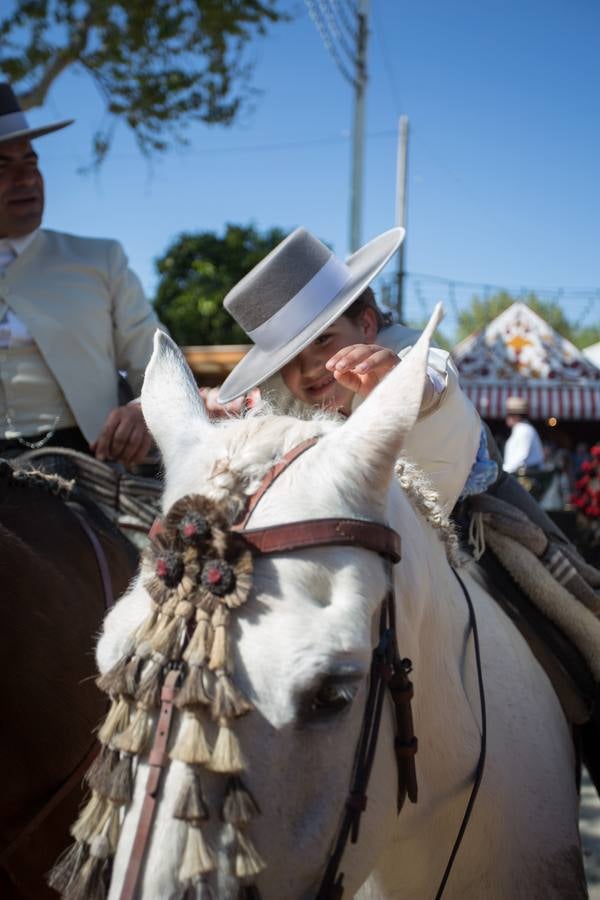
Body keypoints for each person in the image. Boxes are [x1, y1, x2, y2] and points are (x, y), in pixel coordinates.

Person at [204, 225, 493, 514]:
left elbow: (433, 377)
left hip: (462, 486)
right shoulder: (278, 394)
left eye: (322, 339)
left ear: (366, 325)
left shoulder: (403, 349)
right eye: (287, 360)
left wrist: (405, 387)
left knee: (529, 540)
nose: (307, 369)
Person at [0, 83, 163, 466]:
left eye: (31, 162)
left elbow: (157, 360)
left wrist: (143, 410)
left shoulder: (99, 259)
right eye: (2, 167)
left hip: (84, 459)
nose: (25, 179)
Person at [502, 396, 544, 474]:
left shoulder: (524, 430)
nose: (507, 417)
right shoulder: (521, 429)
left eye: (509, 414)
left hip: (527, 475)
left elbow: (521, 456)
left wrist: (504, 472)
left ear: (516, 416)